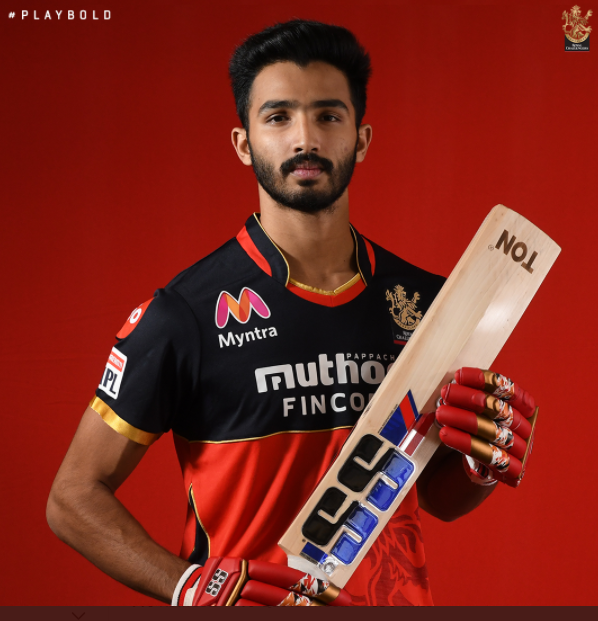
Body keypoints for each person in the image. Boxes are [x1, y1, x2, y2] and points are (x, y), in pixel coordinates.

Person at [46, 19, 536, 606]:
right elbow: (72, 497)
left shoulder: (426, 304)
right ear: (243, 143)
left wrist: (482, 462)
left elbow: (437, 498)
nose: (305, 139)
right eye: (278, 117)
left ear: (361, 138)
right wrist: (186, 586)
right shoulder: (186, 314)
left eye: (328, 116)